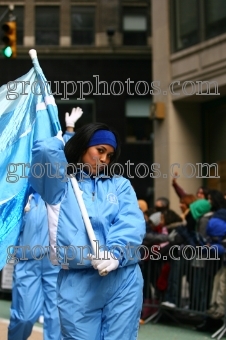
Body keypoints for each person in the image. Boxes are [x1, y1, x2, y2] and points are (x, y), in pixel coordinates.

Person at [29, 121, 146, 339]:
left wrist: (115, 253)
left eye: (109, 155)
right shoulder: (59, 184)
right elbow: (44, 151)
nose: (104, 159)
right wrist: (62, 135)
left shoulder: (120, 185)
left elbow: (131, 222)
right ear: (83, 147)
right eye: (99, 150)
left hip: (123, 278)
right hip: (77, 283)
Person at [8, 108, 82, 340]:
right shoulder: (23, 193)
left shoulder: (60, 192)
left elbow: (68, 161)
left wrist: (69, 131)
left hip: (56, 263)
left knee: (56, 318)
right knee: (25, 316)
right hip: (28, 261)